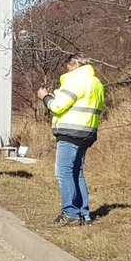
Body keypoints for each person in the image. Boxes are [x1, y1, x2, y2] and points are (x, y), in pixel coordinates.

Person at [37, 55, 105, 225]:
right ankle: (84, 214)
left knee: (63, 172)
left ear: (75, 64)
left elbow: (58, 106)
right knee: (77, 173)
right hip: (87, 131)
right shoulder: (95, 82)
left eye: (68, 66)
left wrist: (45, 97)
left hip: (70, 131)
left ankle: (70, 213)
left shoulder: (75, 80)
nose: (67, 69)